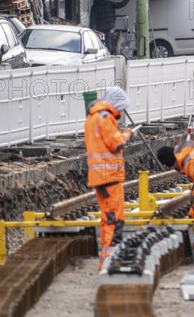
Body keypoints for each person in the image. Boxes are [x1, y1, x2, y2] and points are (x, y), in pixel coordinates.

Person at [84, 86, 133, 269]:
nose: (121, 112)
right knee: (115, 218)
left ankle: (106, 259)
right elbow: (116, 144)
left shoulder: (92, 118)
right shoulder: (105, 118)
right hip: (109, 174)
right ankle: (112, 260)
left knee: (107, 218)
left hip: (99, 175)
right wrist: (127, 134)